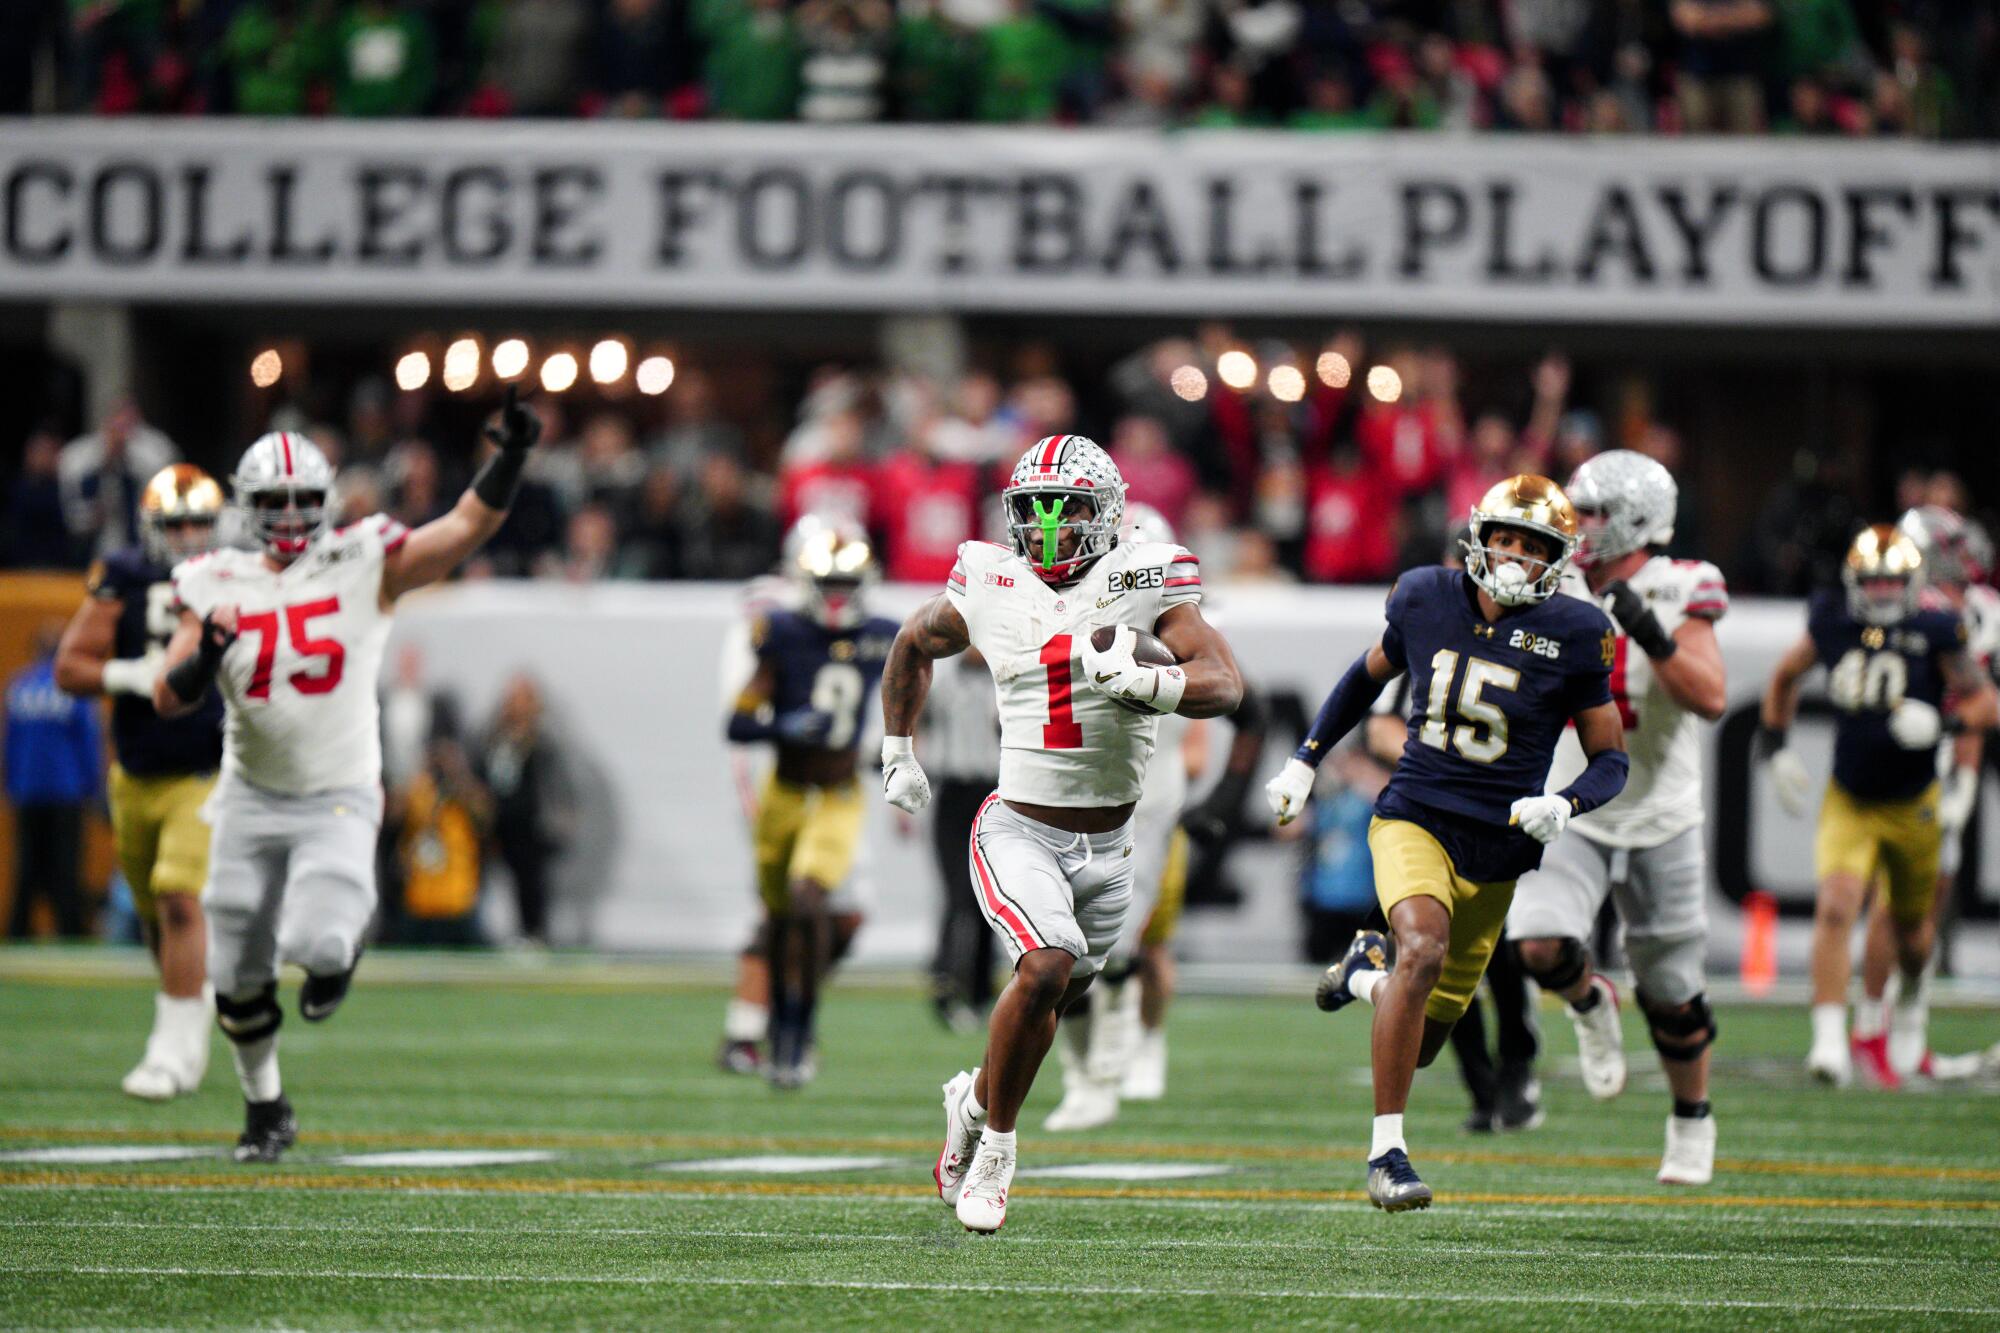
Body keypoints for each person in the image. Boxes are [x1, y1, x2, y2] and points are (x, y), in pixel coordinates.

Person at [153, 395, 544, 1163]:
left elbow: (463, 529)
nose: (293, 513)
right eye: (276, 501)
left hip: (337, 791)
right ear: (248, 505)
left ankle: (341, 955)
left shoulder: (364, 559)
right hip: (248, 795)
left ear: (327, 499)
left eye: (305, 498)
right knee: (234, 972)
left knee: (317, 940)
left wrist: (509, 461)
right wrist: (203, 657)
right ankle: (266, 1106)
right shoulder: (212, 577)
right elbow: (169, 694)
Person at [880, 433, 1244, 1234]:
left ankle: (971, 1102)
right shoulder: (990, 578)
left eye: (1067, 509)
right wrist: (897, 748)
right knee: (1042, 970)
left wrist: (1159, 681)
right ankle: (999, 1152)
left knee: (1049, 1003)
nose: (1048, 528)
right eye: (1034, 511)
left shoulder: (1146, 578)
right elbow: (912, 641)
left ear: (1107, 513)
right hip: (1017, 828)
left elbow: (1224, 681)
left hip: (1112, 850)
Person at [1264, 476, 1627, 1212]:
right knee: (1421, 950)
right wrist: (1305, 756)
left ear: (1559, 559)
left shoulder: (1577, 631)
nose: (1517, 556)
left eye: (1535, 547)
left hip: (1498, 850)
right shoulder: (1426, 595)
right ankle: (1387, 1153)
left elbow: (1611, 756)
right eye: (1507, 539)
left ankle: (1365, 972)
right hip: (1415, 816)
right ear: (1480, 536)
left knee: (1423, 1037)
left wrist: (1567, 800)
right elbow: (1365, 679)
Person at [1507, 451, 1731, 1185]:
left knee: (1672, 990)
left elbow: (1709, 696)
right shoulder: (1551, 579)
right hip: (1573, 803)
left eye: (1595, 511)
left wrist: (1651, 632)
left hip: (1661, 812)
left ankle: (1691, 1119)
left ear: (1635, 518)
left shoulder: (1681, 584)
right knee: (1538, 942)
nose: (1580, 523)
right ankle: (1587, 997)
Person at [1758, 525, 1999, 1088]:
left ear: (1914, 582)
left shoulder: (1935, 628)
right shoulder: (1835, 620)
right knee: (1838, 906)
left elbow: (1985, 702)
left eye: (1894, 579)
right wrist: (1773, 746)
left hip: (1913, 801)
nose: (1885, 590)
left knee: (1914, 932)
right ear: (1853, 582)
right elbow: (1786, 674)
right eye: (1874, 580)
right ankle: (1828, 1041)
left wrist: (1944, 725)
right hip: (1851, 798)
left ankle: (1910, 1006)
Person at [52, 464, 227, 1100]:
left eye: (196, 522)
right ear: (151, 525)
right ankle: (188, 1007)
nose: (185, 534)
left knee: (180, 897)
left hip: (204, 768)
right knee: (157, 914)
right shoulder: (124, 574)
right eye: (174, 522)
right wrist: (134, 676)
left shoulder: (233, 576)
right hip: (135, 770)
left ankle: (171, 1050)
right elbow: (70, 667)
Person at [1041, 502, 1206, 1131]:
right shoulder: (1068, 614)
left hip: (1149, 807)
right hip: (1073, 798)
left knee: (1126, 945)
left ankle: (1116, 1065)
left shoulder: (1180, 627)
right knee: (1061, 949)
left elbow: (1218, 692)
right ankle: (1087, 1076)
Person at [724, 517, 899, 1087]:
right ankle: (781, 1027)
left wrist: (897, 752)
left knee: (809, 900)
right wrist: (782, 725)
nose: (837, 597)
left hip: (838, 795)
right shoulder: (777, 630)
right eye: (828, 584)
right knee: (779, 917)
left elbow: (912, 692)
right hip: (784, 792)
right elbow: (738, 722)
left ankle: (801, 1032)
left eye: (845, 585)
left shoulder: (882, 634)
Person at [1854, 507, 1999, 1082]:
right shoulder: (1894, 608)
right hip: (1894, 761)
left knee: (1929, 902)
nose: (1964, 559)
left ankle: (1908, 1036)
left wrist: (1962, 780)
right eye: (1950, 547)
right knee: (1891, 897)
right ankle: (1870, 1031)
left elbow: (1977, 704)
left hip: (1943, 753)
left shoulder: (1979, 611)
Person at [5, 621, 103, 940]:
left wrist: (9, 782)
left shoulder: (20, 686)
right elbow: (88, 741)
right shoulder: (74, 688)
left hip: (27, 789)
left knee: (27, 863)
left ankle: (20, 928)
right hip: (66, 789)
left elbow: (10, 742)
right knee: (66, 864)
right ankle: (69, 928)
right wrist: (92, 785)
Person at [480, 674, 575, 946]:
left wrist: (560, 819)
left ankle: (534, 932)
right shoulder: (494, 736)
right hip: (495, 820)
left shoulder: (543, 741)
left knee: (530, 882)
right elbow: (482, 769)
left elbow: (556, 784)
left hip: (530, 824)